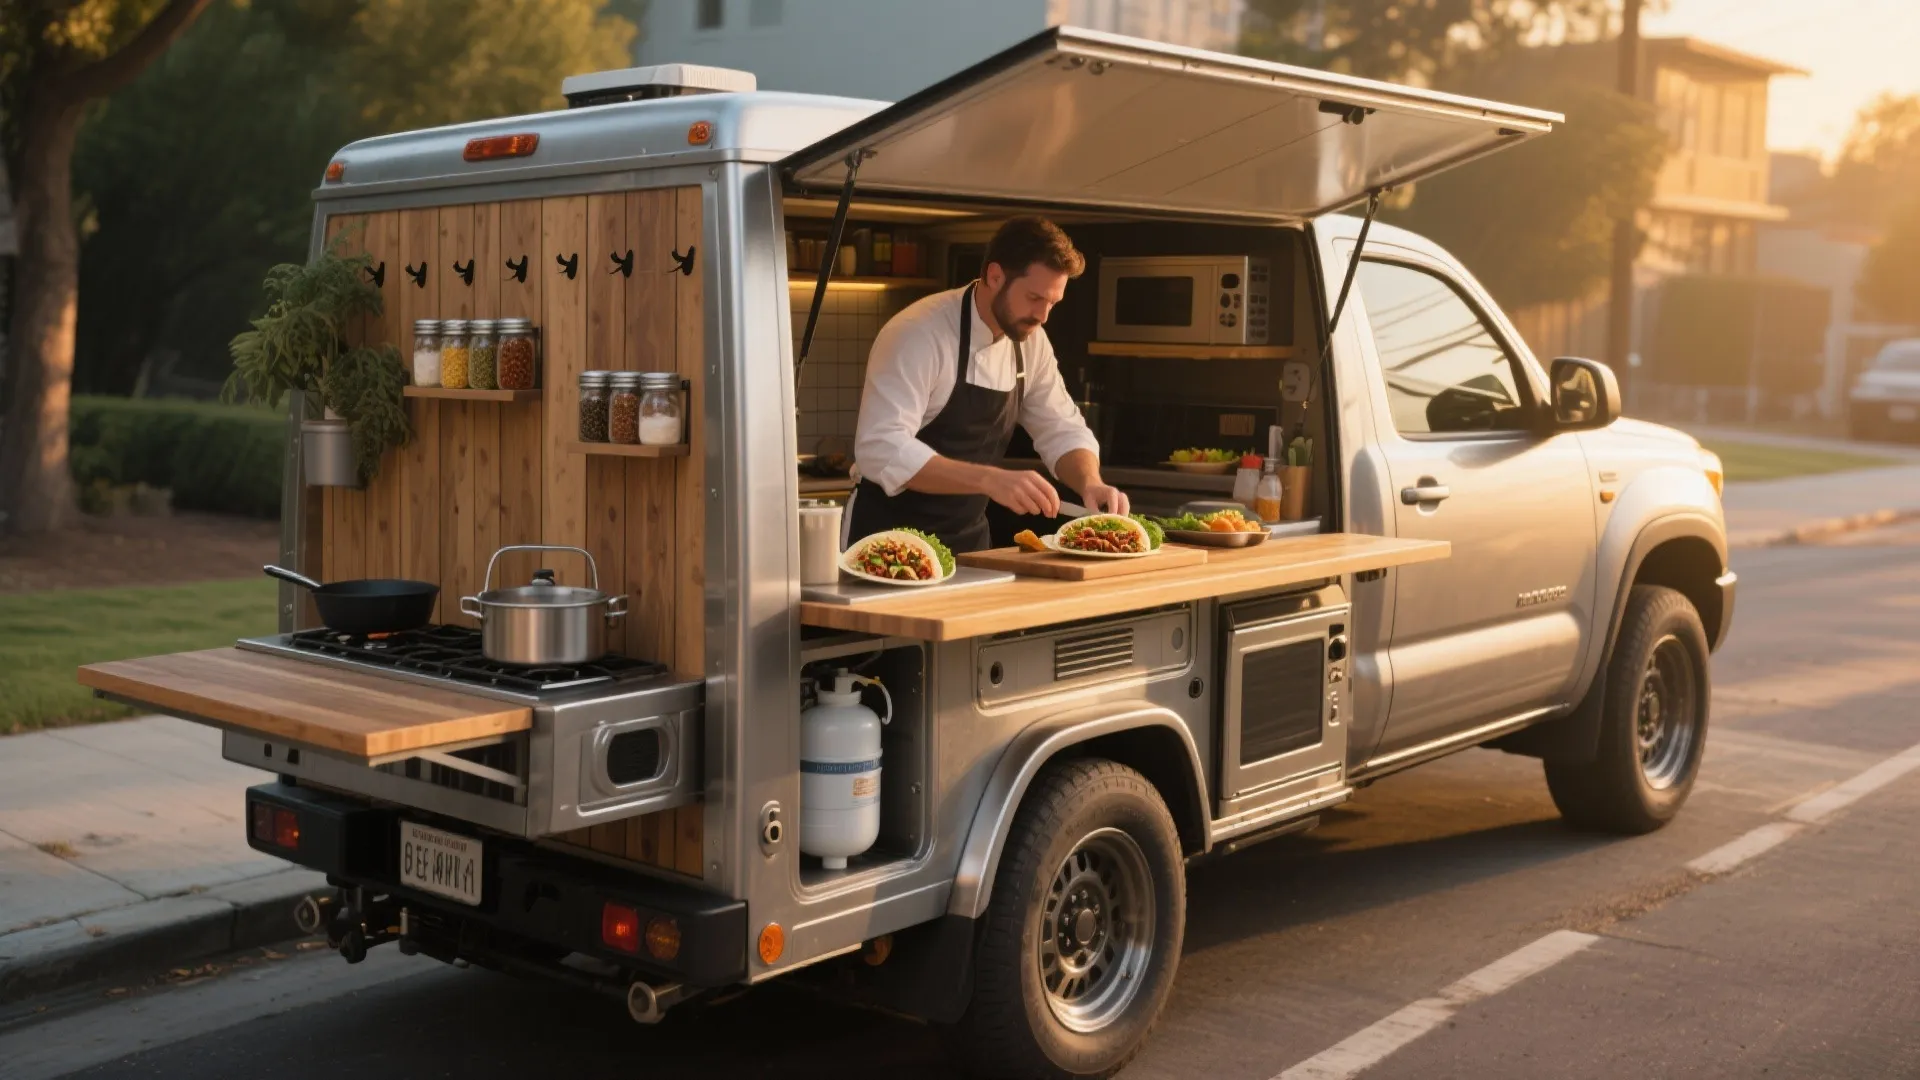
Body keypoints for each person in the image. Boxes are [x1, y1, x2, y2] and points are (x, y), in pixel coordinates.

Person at [845, 216, 1128, 554]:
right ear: (995, 276)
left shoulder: (1031, 341)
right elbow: (881, 448)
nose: (1043, 315)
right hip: (885, 544)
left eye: (1053, 302)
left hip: (971, 545)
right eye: (1034, 297)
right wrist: (988, 479)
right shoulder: (918, 333)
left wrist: (1090, 483)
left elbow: (1061, 428)